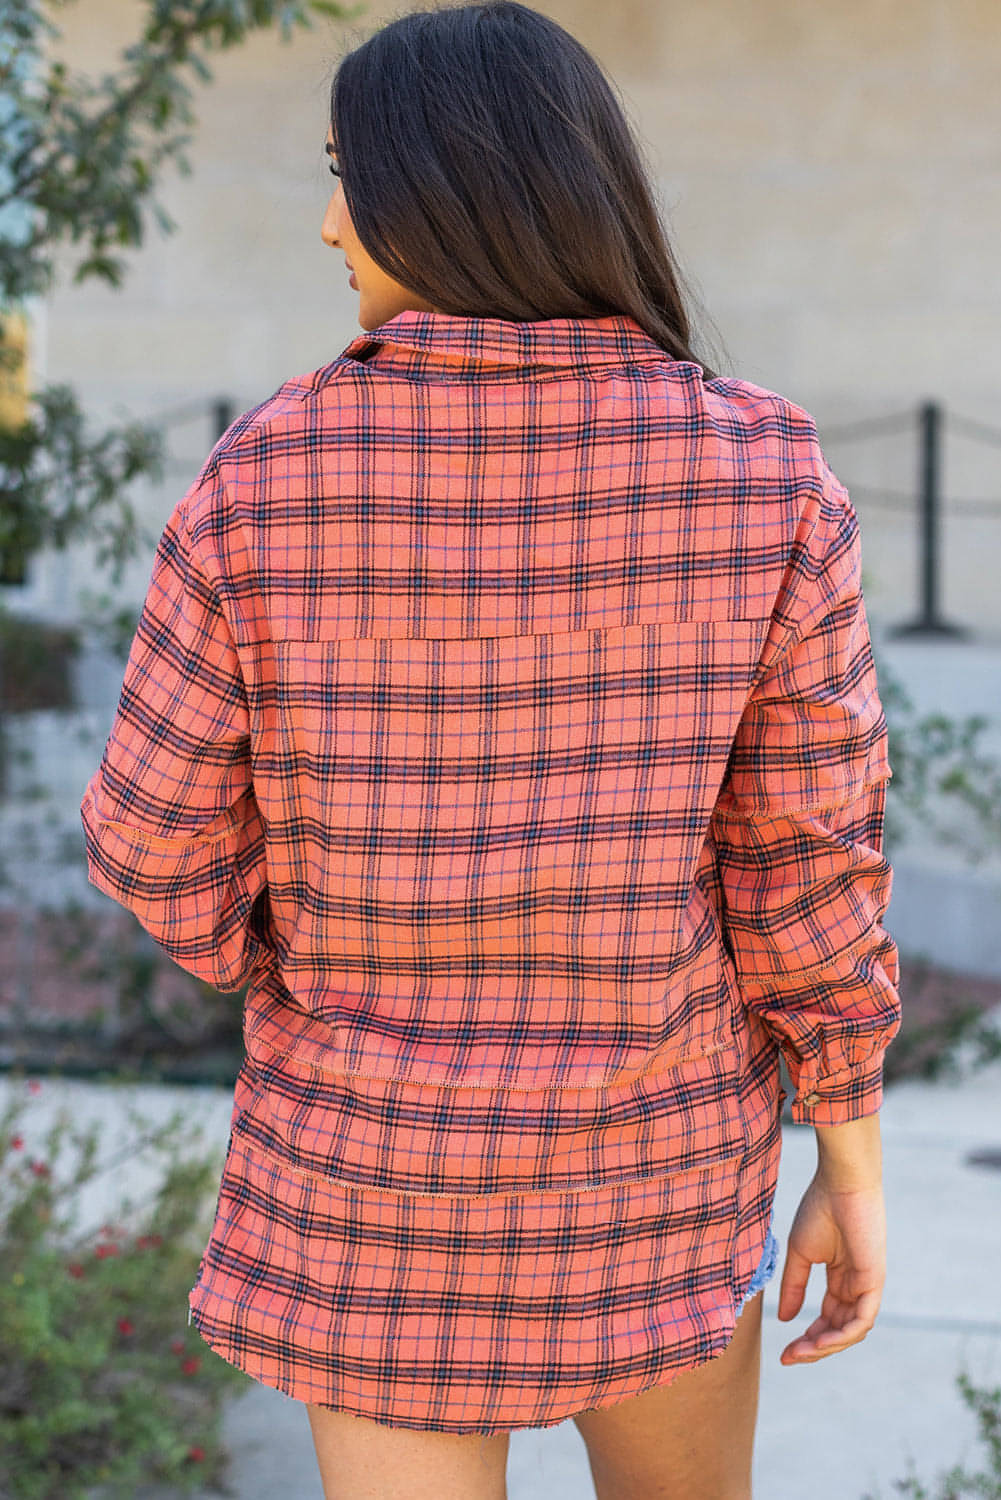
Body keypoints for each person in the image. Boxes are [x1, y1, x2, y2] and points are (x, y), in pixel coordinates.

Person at [80, 3, 901, 1497]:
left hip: (369, 1184)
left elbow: (148, 839)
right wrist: (846, 1160)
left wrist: (297, 955)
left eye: (350, 175)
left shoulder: (262, 478)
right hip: (650, 1176)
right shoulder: (764, 476)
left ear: (449, 192)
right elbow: (807, 865)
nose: (330, 223)